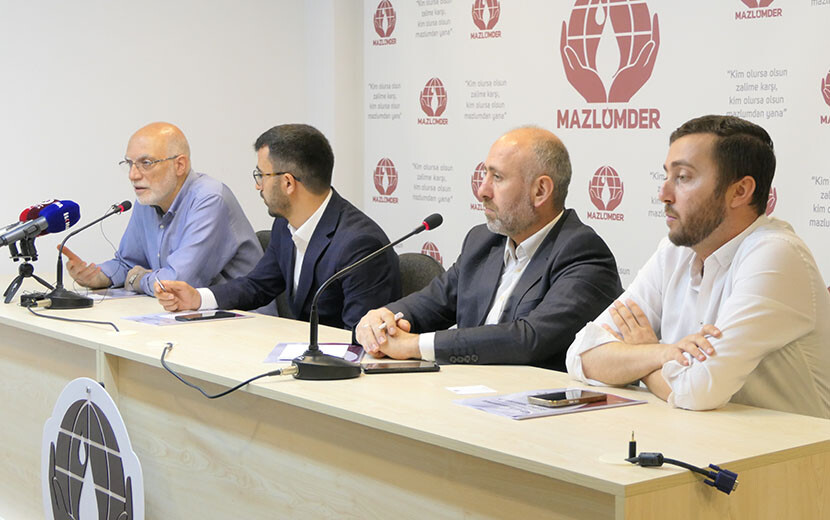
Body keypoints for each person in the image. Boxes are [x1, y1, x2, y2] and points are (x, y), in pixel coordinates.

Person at [566, 115, 830, 419]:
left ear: (740, 191)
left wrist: (640, 354)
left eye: (683, 177)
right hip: (702, 439)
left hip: (793, 449)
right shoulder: (674, 252)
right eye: (666, 175)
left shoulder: (777, 255)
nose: (663, 194)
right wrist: (661, 352)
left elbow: (697, 390)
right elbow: (582, 355)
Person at [355, 126, 622, 370]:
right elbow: (431, 303)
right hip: (465, 393)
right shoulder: (482, 241)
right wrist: (382, 321)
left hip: (533, 401)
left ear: (540, 191)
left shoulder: (583, 253)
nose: (482, 190)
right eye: (485, 174)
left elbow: (529, 340)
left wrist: (414, 346)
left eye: (497, 177)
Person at [155, 124, 401, 330]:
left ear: (288, 183)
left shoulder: (360, 244)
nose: (258, 185)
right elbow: (258, 286)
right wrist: (198, 298)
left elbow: (360, 339)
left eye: (261, 175)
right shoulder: (284, 225)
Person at [61, 122, 261, 296]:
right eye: (130, 164)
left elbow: (179, 282)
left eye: (146, 163)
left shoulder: (210, 199)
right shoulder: (147, 200)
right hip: (191, 316)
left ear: (179, 165)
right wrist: (98, 276)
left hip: (245, 318)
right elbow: (128, 263)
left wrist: (138, 280)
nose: (133, 175)